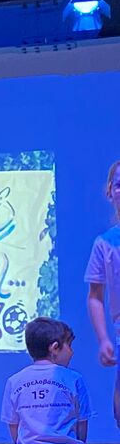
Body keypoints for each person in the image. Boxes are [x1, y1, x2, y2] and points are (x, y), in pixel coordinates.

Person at [1, 317, 92, 444]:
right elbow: (82, 429)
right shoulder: (74, 379)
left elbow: (14, 429)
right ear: (54, 348)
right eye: (69, 345)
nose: (72, 352)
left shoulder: (14, 381)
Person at [86, 159, 120, 425]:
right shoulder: (105, 244)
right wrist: (103, 339)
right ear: (110, 191)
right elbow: (95, 296)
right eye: (119, 185)